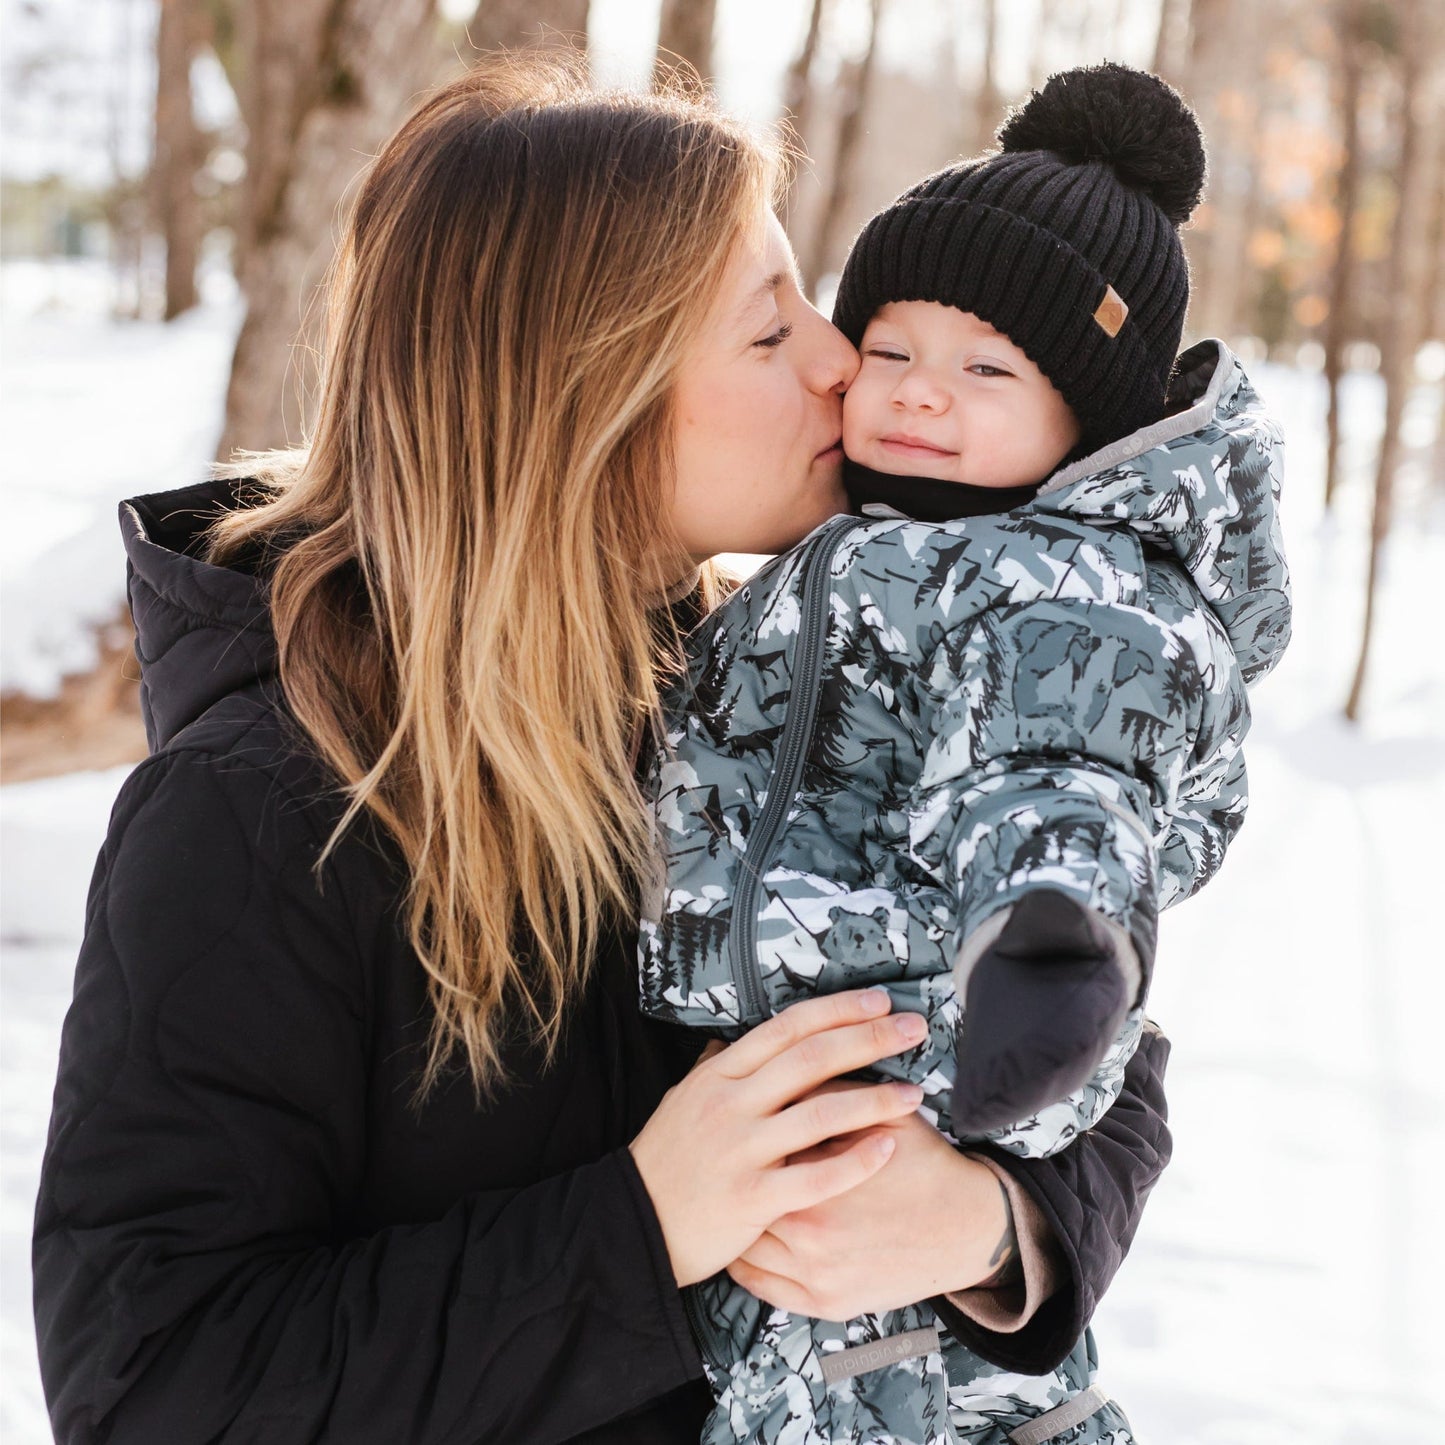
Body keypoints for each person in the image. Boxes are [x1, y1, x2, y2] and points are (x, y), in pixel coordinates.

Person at [32, 60, 1173, 1445]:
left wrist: (995, 1227)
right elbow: (152, 1388)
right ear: (581, 401)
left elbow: (1099, 1052)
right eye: (768, 333)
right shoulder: (263, 815)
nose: (839, 356)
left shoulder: (799, 693)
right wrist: (637, 1227)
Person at [642, 64, 1290, 1444]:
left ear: (1086, 419)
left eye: (988, 369)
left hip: (943, 1059)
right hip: (781, 1089)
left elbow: (1060, 773)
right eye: (891, 350)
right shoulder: (839, 551)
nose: (921, 396)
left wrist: (1042, 942)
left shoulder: (1066, 584)